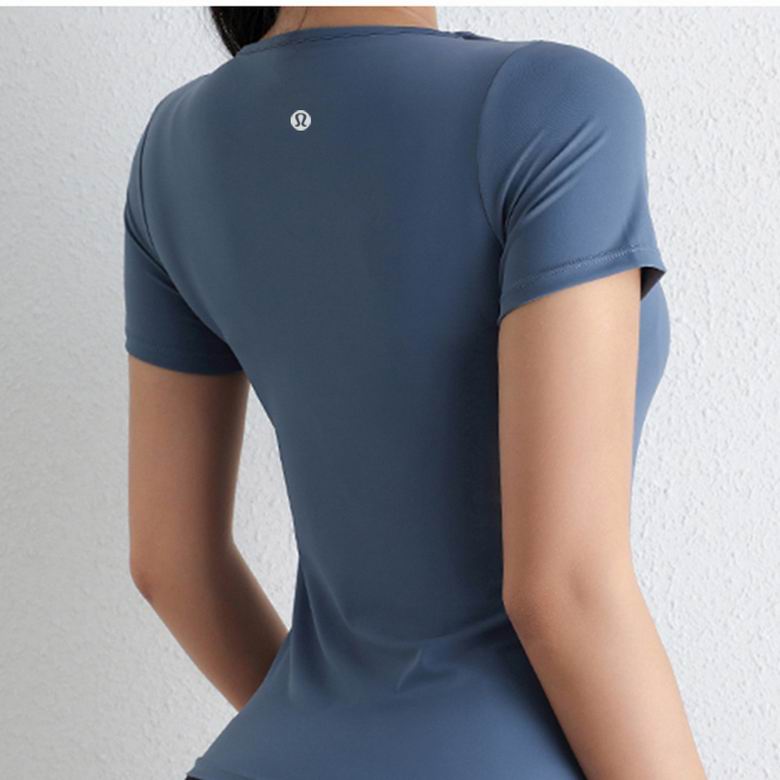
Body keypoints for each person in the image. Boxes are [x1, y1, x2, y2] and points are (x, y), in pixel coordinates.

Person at [124, 6, 707, 779]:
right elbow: (565, 590)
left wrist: (331, 731)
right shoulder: (553, 101)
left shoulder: (170, 150)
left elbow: (170, 563)